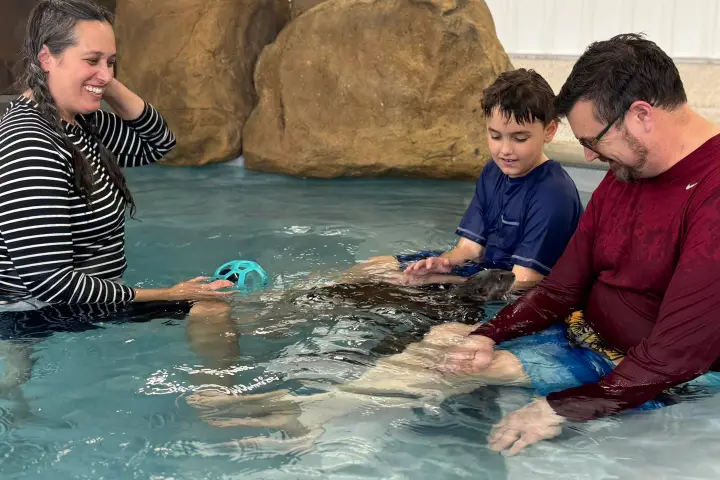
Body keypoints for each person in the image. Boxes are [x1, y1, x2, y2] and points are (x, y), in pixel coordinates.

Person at [431, 33, 720, 456]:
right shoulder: (628, 168)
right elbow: (564, 285)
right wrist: (490, 333)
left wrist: (565, 407)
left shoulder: (711, 192)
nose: (587, 158)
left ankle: (316, 421)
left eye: (591, 141)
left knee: (429, 372)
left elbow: (677, 354)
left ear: (640, 115)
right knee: (446, 344)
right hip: (581, 333)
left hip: (653, 371)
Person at [0, 0, 239, 403]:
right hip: (36, 314)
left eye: (112, 62)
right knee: (211, 304)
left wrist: (98, 80)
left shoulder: (80, 123)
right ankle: (219, 403)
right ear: (47, 57)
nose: (106, 73)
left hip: (80, 301)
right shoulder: (31, 144)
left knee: (214, 296)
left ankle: (218, 399)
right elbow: (51, 281)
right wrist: (167, 294)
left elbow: (158, 143)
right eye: (92, 59)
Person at [347, 68, 583, 288]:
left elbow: (524, 281)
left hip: (514, 287)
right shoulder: (493, 173)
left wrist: (440, 280)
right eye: (495, 136)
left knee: (424, 307)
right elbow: (469, 248)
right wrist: (444, 262)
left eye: (519, 138)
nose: (505, 150)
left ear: (550, 130)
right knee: (375, 267)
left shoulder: (553, 194)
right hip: (482, 273)